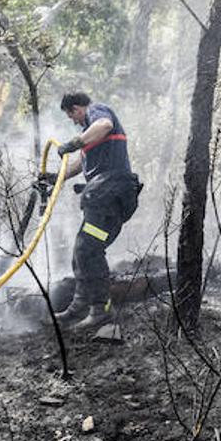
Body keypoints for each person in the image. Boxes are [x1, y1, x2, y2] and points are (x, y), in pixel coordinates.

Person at [39, 92, 141, 327]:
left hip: (111, 193)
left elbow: (104, 125)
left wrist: (74, 142)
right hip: (104, 195)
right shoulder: (92, 138)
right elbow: (79, 163)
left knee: (88, 249)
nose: (74, 121)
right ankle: (79, 307)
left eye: (72, 115)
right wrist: (56, 178)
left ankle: (100, 310)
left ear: (77, 108)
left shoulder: (97, 112)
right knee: (82, 251)